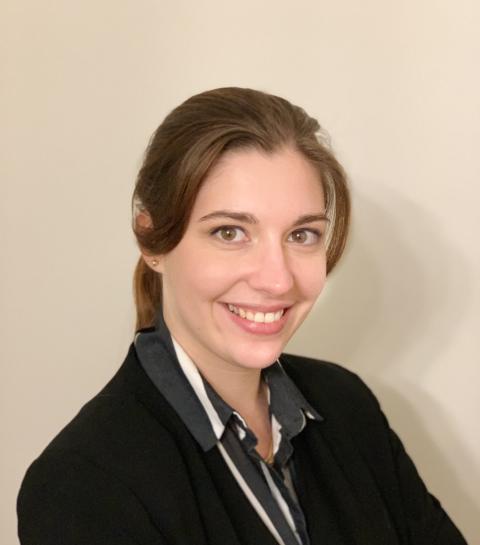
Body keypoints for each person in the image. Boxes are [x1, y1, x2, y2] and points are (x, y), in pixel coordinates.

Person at [17, 87, 467, 545]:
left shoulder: (348, 406)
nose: (277, 280)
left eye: (302, 234)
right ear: (152, 241)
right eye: (229, 232)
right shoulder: (82, 485)